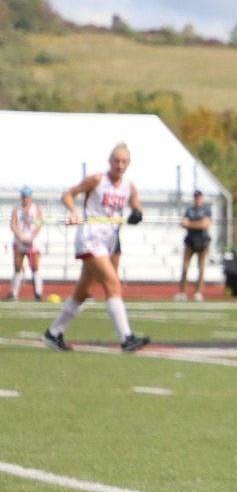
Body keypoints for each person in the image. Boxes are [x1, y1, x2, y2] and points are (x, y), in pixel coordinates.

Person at [43, 142, 149, 352]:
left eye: (124, 162)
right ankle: (127, 339)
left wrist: (137, 214)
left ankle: (53, 333)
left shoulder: (129, 186)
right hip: (91, 238)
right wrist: (74, 212)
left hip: (110, 241)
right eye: (116, 161)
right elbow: (68, 194)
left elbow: (136, 205)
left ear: (129, 164)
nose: (120, 165)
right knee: (113, 284)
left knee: (85, 291)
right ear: (110, 161)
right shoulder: (97, 180)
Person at [175, 189, 213, 301]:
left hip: (202, 242)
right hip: (190, 241)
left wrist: (190, 224)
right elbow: (184, 223)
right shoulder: (190, 210)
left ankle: (198, 292)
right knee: (185, 267)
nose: (197, 199)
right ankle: (182, 292)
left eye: (199, 197)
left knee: (201, 269)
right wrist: (197, 224)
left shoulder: (206, 210)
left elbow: (204, 225)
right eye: (196, 197)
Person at [10, 187, 44, 301]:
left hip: (33, 242)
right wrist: (22, 237)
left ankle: (38, 293)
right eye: (24, 197)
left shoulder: (37, 208)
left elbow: (39, 224)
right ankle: (14, 294)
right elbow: (13, 225)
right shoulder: (17, 209)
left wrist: (31, 238)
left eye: (27, 197)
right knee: (17, 267)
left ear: (30, 197)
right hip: (20, 241)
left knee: (35, 267)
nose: (26, 199)